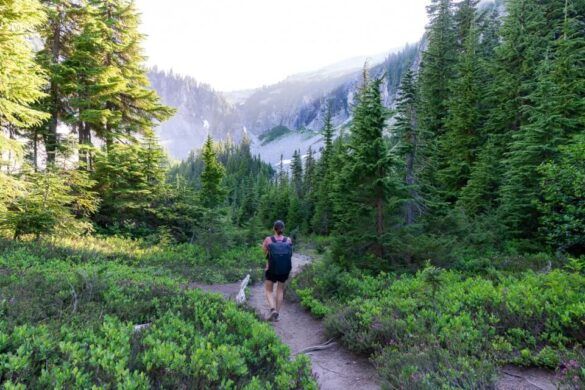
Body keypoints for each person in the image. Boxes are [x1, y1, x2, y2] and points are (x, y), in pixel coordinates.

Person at [262, 220, 293, 321]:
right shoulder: (288, 240)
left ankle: (272, 309)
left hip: (271, 269)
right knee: (280, 290)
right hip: (284, 269)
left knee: (268, 290)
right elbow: (290, 253)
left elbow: (264, 253)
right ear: (283, 229)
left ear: (273, 228)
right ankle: (277, 315)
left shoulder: (268, 239)